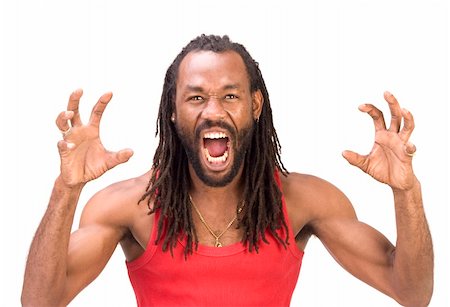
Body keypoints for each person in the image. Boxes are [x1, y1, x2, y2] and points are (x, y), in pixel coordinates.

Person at [21, 34, 433, 307]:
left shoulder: (305, 200)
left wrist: (407, 191)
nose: (213, 111)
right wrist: (66, 189)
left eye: (229, 95)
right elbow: (39, 300)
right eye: (196, 97)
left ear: (254, 106)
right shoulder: (130, 206)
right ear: (172, 110)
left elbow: (412, 293)